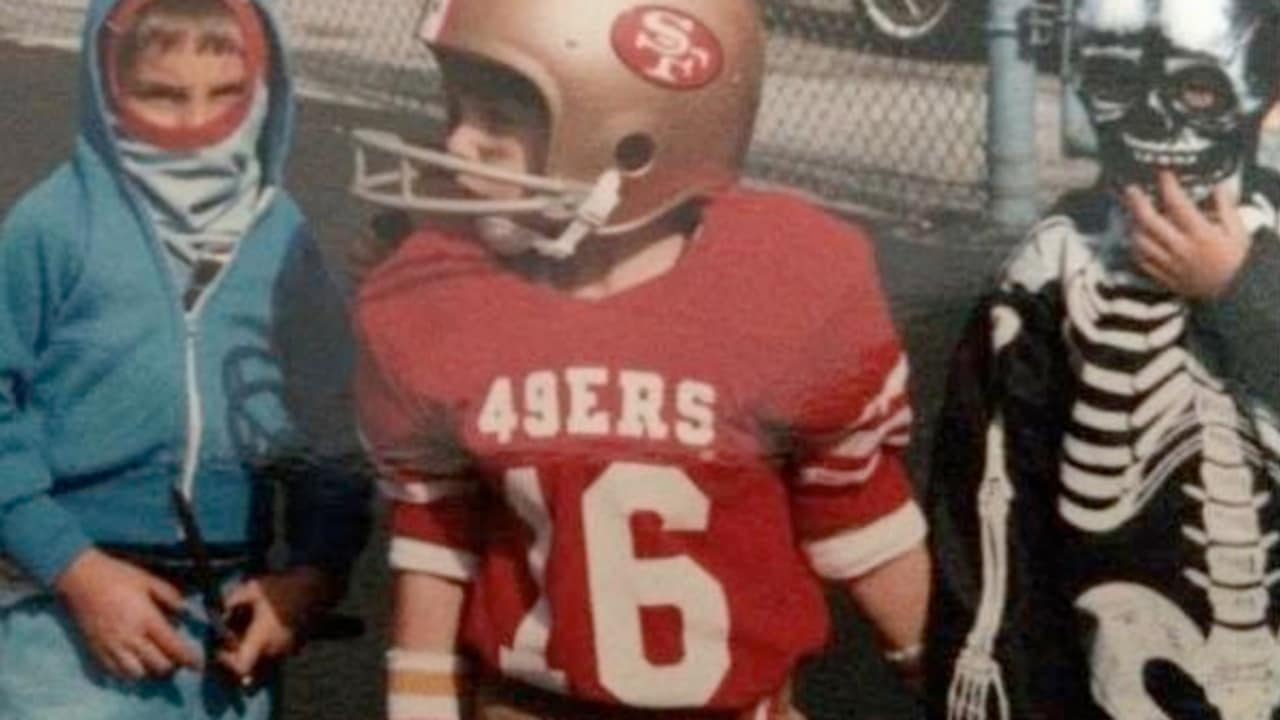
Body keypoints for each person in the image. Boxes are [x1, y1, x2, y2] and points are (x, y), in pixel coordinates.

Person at [348, 1, 931, 718]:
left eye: (499, 119)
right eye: (458, 109)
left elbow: (858, 517)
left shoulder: (784, 288)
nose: (460, 144)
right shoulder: (443, 296)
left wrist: (943, 670)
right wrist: (420, 704)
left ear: (630, 140)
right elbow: (439, 525)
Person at [0, 0, 371, 717]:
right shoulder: (53, 226)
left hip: (230, 614)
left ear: (265, 89)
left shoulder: (284, 237)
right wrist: (72, 567)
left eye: (225, 95)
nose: (194, 123)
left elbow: (332, 419)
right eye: (162, 95)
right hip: (68, 614)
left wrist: (314, 574)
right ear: (107, 88)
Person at [925, 1, 1280, 718]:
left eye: (1199, 90)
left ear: (1265, 90)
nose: (1152, 121)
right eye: (1116, 81)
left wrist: (1242, 290)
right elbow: (990, 493)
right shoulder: (1051, 270)